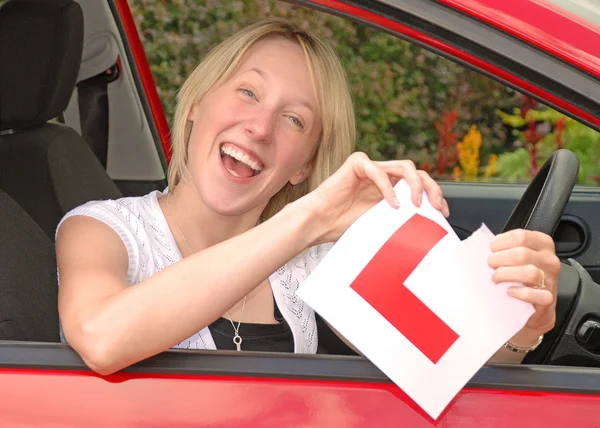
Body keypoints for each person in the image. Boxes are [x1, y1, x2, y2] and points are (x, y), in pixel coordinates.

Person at [56, 19, 560, 375]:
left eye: (294, 119)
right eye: (248, 92)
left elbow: (465, 355)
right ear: (197, 103)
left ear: (303, 166)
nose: (259, 126)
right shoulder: (102, 230)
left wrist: (523, 321)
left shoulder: (318, 260)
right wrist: (313, 216)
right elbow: (102, 338)